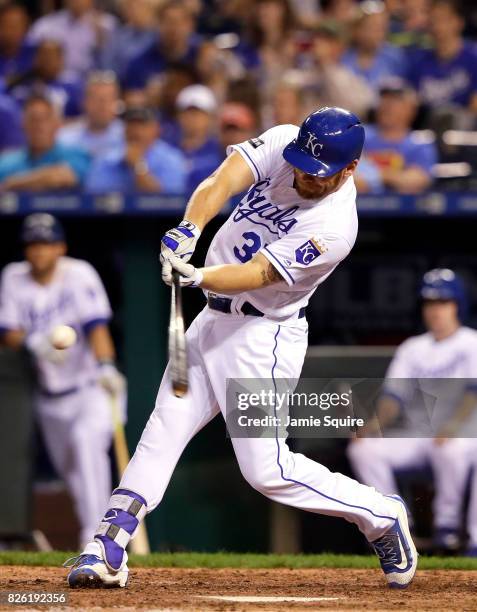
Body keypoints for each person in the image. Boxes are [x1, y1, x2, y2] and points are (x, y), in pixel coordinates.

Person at [65, 107, 417, 590]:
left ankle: (381, 514)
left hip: (262, 337)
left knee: (266, 471)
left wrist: (199, 275)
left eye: (318, 174)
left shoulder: (337, 224)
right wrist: (190, 228)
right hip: (211, 322)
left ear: (349, 169)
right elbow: (221, 181)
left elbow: (260, 274)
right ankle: (108, 543)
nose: (303, 176)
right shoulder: (285, 143)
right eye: (300, 164)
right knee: (164, 427)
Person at [0, 213, 125, 548]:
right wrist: (32, 342)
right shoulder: (13, 277)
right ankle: (102, 533)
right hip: (49, 396)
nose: (39, 252)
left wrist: (107, 366)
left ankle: (95, 539)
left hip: (91, 388)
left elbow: (96, 326)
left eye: (46, 244)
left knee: (87, 446)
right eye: (33, 245)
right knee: (73, 475)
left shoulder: (78, 273)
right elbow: (8, 329)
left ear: (60, 247)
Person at [348, 269, 477, 555]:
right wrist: (374, 425)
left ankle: (448, 529)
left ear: (458, 305)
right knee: (364, 449)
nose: (435, 310)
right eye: (430, 303)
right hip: (420, 437)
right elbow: (394, 396)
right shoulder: (412, 348)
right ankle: (393, 524)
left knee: (451, 448)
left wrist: (453, 426)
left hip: (465, 436)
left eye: (443, 302)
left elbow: (473, 392)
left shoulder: (471, 342)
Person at [356, 80, 437, 193]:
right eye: (384, 100)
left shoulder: (419, 143)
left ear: (411, 109)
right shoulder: (358, 134)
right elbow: (346, 177)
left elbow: (417, 181)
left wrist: (374, 176)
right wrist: (394, 177)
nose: (387, 106)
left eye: (395, 101)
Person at [85, 106, 187, 194]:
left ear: (156, 129)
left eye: (142, 125)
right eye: (131, 125)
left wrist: (138, 165)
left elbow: (168, 202)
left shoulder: (172, 159)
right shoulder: (107, 158)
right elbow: (94, 198)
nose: (136, 131)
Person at [0, 94, 90, 191]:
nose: (39, 126)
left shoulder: (75, 154)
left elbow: (63, 177)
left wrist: (12, 183)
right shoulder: (7, 162)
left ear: (57, 124)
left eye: (45, 119)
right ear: (23, 124)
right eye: (33, 119)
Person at [407, 0, 477, 114]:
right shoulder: (418, 62)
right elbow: (411, 106)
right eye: (433, 20)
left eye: (443, 19)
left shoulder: (474, 58)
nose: (437, 26)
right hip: (428, 127)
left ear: (459, 22)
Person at [123, 1, 202, 93]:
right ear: (158, 25)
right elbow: (130, 97)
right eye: (168, 22)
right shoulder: (140, 62)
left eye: (179, 22)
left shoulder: (200, 56)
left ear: (190, 25)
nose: (174, 28)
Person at [28, 0, 117, 80]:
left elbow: (113, 64)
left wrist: (101, 41)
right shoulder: (45, 26)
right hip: (55, 80)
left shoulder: (106, 25)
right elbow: (29, 55)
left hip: (90, 81)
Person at [6, 39, 83, 118]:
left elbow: (82, 117)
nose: (46, 60)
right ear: (36, 59)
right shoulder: (22, 83)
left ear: (61, 60)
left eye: (51, 56)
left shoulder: (73, 86)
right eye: (43, 55)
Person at [342, 0, 406, 92]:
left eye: (381, 28)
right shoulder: (343, 57)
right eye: (371, 27)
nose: (378, 33)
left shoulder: (395, 57)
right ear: (356, 30)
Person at [57, 71, 124, 160]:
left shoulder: (127, 135)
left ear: (117, 103)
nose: (102, 105)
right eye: (96, 99)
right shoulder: (65, 138)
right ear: (84, 102)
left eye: (108, 99)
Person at [176, 84, 222, 194]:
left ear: (210, 117)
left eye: (197, 113)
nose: (191, 118)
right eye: (187, 112)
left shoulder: (220, 149)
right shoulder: (169, 148)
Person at [99, 0, 157, 81]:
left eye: (140, 7)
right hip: (122, 82)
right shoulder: (119, 35)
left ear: (149, 10)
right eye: (132, 8)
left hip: (149, 82)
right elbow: (107, 62)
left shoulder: (157, 36)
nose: (136, 12)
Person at [0, 2, 35, 82]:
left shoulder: (37, 54)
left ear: (26, 26)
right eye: (7, 25)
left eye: (16, 26)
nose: (11, 31)